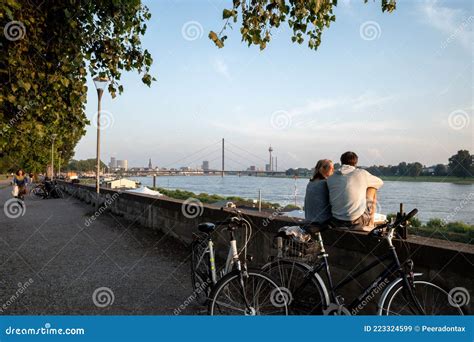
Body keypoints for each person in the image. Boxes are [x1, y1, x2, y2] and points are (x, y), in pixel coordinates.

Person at [327, 151, 383, 230]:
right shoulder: (362, 173)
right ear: (355, 162)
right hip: (357, 222)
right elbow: (380, 182)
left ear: (341, 161)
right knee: (372, 187)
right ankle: (370, 223)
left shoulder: (331, 176)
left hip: (336, 221)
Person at [304, 159, 334, 224]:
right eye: (331, 168)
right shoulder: (325, 183)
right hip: (322, 221)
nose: (333, 171)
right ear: (324, 169)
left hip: (308, 219)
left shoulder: (310, 183)